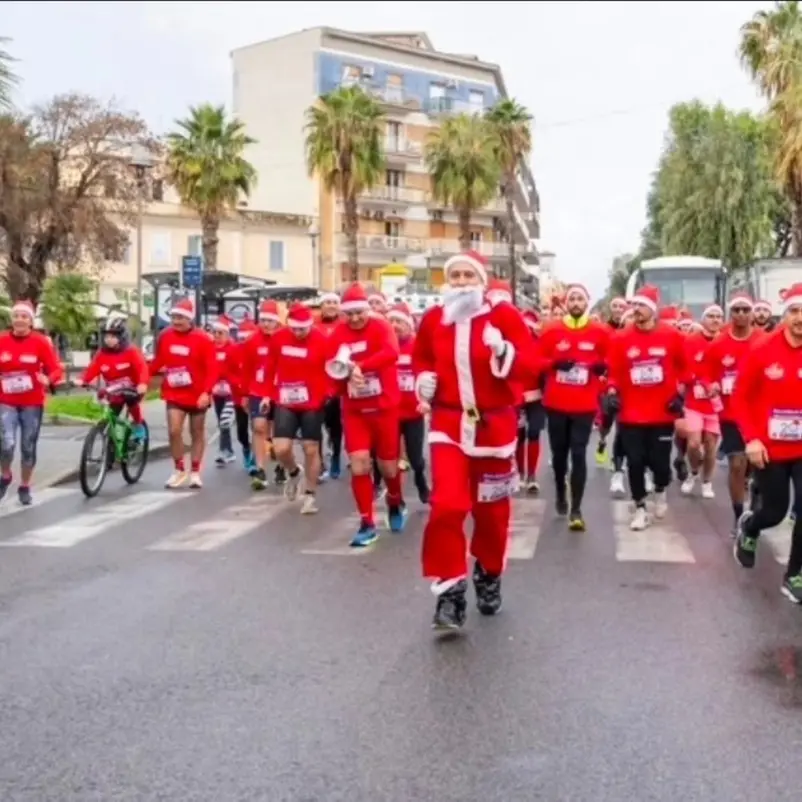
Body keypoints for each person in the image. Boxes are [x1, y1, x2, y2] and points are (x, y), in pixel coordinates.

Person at [413, 249, 535, 631]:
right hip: (448, 423)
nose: (462, 283)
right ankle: (450, 592)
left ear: (482, 281)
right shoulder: (434, 319)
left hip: (494, 428)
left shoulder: (504, 316)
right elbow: (421, 359)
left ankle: (489, 572)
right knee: (447, 505)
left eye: (469, 276)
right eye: (455, 276)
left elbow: (533, 364)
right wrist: (422, 381)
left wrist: (505, 351)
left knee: (492, 515)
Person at [732, 282, 802, 603]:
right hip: (769, 448)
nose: (801, 317)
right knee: (775, 512)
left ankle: (794, 574)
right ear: (785, 314)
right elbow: (741, 398)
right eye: (795, 311)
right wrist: (752, 438)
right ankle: (751, 526)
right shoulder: (762, 349)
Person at [325, 283, 406, 547]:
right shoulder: (338, 333)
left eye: (360, 312)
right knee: (359, 463)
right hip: (355, 410)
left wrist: (360, 366)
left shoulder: (381, 326)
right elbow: (331, 370)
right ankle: (367, 522)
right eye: (350, 314)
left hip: (384, 407)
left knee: (388, 465)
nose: (356, 318)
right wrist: (344, 378)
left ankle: (395, 500)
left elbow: (391, 353)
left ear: (367, 310)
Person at [605, 285, 688, 530]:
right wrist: (611, 392)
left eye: (641, 305)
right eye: (634, 305)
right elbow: (615, 372)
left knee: (660, 464)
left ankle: (661, 489)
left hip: (661, 412)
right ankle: (640, 506)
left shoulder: (671, 336)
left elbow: (685, 370)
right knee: (636, 462)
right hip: (631, 414)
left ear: (652, 309)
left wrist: (680, 395)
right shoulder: (621, 338)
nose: (636, 310)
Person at [538, 283, 610, 531]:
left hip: (584, 405)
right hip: (556, 404)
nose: (576, 303)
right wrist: (555, 364)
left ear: (587, 302)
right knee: (559, 455)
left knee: (579, 454)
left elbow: (610, 361)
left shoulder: (599, 332)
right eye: (572, 299)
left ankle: (576, 508)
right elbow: (537, 361)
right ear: (566, 303)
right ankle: (560, 490)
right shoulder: (552, 330)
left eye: (580, 299)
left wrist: (603, 370)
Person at [264, 303, 330, 514]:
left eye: (303, 329)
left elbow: (331, 368)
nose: (298, 333)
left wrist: (327, 393)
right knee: (281, 448)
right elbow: (270, 366)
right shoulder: (279, 338)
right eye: (295, 329)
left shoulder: (321, 340)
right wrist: (267, 393)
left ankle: (310, 495)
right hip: (285, 399)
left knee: (310, 448)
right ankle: (293, 472)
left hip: (313, 401)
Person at [0, 300, 64, 505]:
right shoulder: (2, 340)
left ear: (30, 321)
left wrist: (49, 379)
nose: (19, 320)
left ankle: (25, 485)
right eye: (16, 316)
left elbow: (56, 368)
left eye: (24, 317)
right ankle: (6, 475)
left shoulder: (39, 342)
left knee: (28, 446)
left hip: (32, 403)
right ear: (12, 319)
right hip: (6, 400)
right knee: (6, 444)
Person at [149, 297, 216, 489]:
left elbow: (212, 369)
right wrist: (144, 376)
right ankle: (179, 469)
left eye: (180, 318)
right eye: (174, 317)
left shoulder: (203, 339)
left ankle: (195, 471)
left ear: (190, 319)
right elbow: (160, 360)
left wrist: (206, 392)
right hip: (174, 392)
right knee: (174, 430)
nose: (176, 322)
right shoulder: (166, 336)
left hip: (197, 394)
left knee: (196, 432)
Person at [75, 316, 149, 443]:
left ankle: (138, 425)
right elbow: (91, 369)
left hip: (132, 388)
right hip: (114, 390)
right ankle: (114, 442)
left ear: (122, 337)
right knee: (112, 413)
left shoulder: (131, 352)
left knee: (131, 403)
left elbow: (142, 368)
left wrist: (142, 384)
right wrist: (82, 380)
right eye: (107, 336)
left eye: (113, 336)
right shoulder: (101, 354)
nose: (109, 340)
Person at [388, 302, 430, 503]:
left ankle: (421, 481)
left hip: (413, 411)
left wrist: (426, 400)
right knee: (391, 458)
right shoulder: (385, 345)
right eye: (391, 321)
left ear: (409, 325)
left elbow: (427, 374)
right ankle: (397, 496)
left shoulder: (417, 346)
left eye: (399, 322)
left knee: (415, 459)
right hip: (390, 411)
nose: (395, 325)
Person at [210, 315, 248, 467]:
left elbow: (236, 369)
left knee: (226, 421)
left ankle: (229, 450)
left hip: (232, 392)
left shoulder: (233, 349)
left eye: (221, 333)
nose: (217, 336)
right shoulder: (210, 349)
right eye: (215, 333)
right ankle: (227, 450)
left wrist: (229, 379)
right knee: (221, 421)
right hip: (217, 392)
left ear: (227, 334)